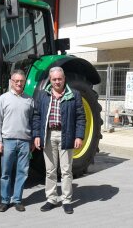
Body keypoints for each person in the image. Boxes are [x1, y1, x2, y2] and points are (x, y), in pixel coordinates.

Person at [33, 66, 86, 214]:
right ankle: (51, 199)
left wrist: (79, 136)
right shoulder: (43, 95)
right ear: (50, 80)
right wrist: (37, 135)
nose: (57, 81)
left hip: (66, 135)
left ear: (64, 79)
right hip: (49, 135)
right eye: (54, 79)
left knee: (66, 171)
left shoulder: (74, 94)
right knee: (50, 170)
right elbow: (37, 116)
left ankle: (67, 200)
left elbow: (81, 117)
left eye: (60, 79)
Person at [0, 69, 33, 212]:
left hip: (24, 142)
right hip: (8, 141)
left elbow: (32, 122)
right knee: (6, 173)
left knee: (22, 172)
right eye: (16, 81)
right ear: (11, 81)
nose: (19, 83)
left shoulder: (29, 100)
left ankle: (17, 200)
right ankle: (5, 200)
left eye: (21, 81)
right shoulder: (3, 99)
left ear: (24, 82)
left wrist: (32, 140)